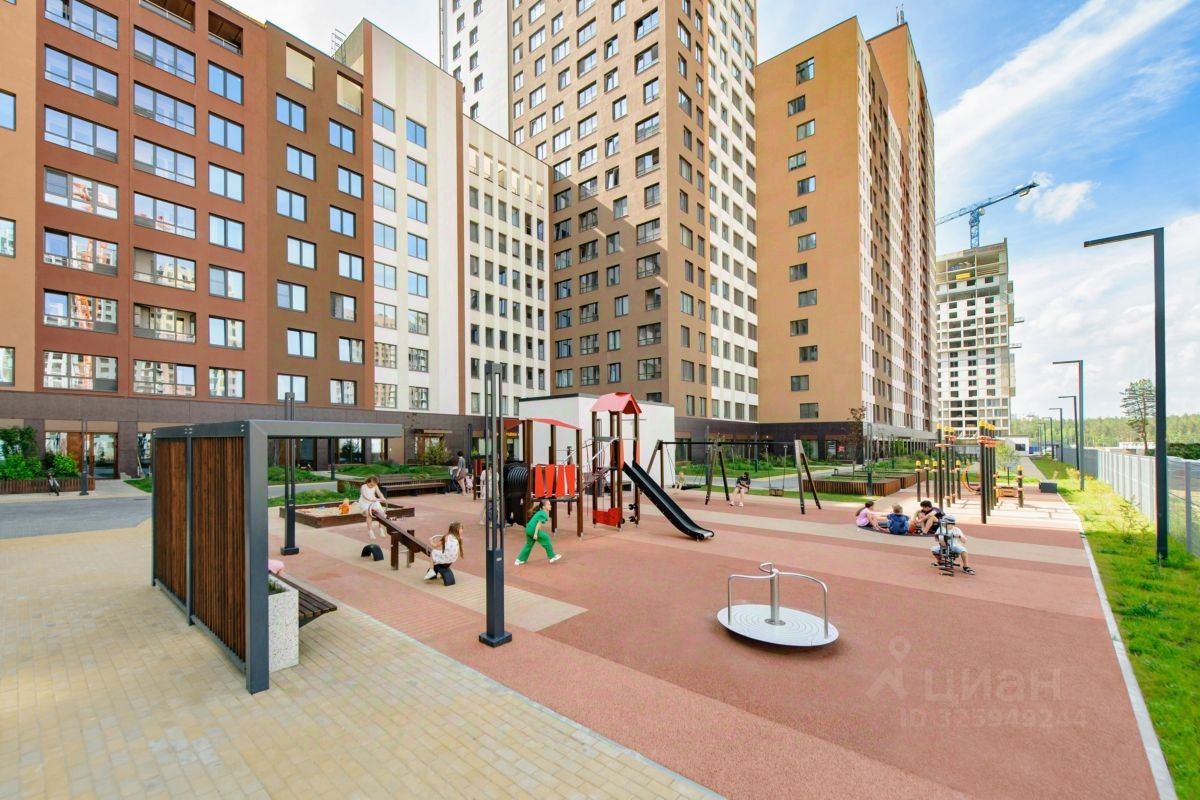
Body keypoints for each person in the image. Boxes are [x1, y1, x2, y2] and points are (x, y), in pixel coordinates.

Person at [515, 499, 561, 565]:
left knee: (528, 544)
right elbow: (539, 523)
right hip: (533, 530)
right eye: (548, 504)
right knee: (546, 538)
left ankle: (519, 560)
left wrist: (537, 532)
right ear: (544, 507)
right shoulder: (543, 514)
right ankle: (552, 556)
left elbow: (538, 523)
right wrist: (536, 534)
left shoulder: (540, 512)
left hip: (528, 528)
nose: (550, 506)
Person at [358, 476, 388, 540]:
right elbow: (364, 495)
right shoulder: (363, 486)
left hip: (373, 501)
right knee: (368, 514)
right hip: (364, 502)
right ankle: (370, 531)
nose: (372, 486)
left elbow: (379, 493)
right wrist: (370, 499)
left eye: (374, 485)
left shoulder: (375, 486)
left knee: (382, 513)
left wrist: (383, 498)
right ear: (368, 482)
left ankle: (380, 528)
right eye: (371, 485)